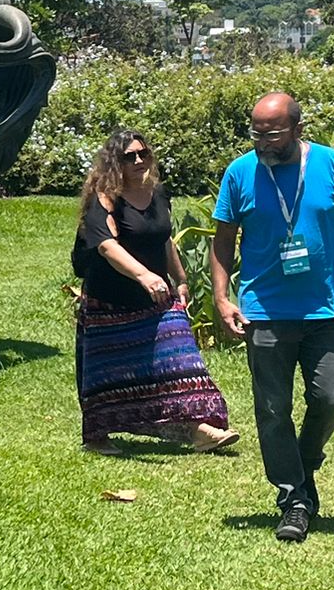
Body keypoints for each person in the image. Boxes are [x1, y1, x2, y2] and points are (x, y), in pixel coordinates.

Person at [211, 91, 334, 543]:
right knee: (272, 409)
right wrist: (223, 299)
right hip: (265, 310)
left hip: (324, 308)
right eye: (256, 132)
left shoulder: (330, 164)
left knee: (331, 399)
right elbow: (223, 241)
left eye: (273, 132)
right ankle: (294, 499)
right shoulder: (240, 173)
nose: (263, 140)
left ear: (298, 129)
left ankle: (303, 461)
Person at [74, 129, 238, 457]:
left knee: (180, 358)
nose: (138, 160)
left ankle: (200, 430)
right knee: (109, 373)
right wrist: (144, 275)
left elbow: (163, 239)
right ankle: (98, 436)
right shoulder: (104, 197)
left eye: (143, 154)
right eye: (129, 156)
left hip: (157, 300)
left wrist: (180, 278)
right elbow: (106, 246)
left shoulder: (158, 194)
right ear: (113, 163)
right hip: (110, 300)